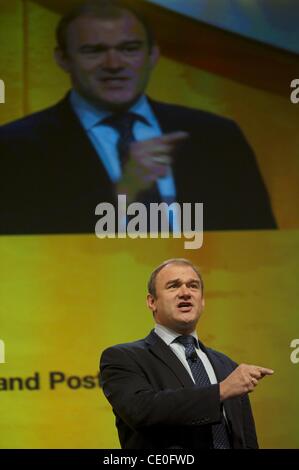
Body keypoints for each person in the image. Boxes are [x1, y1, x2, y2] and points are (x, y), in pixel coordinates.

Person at [0, 0, 277, 235]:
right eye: (93, 51)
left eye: (129, 48)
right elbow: (19, 255)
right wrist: (123, 193)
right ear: (63, 59)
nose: (114, 64)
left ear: (153, 55)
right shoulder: (14, 147)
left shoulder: (217, 137)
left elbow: (263, 245)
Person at [100, 258, 274, 449]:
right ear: (152, 302)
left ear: (202, 300)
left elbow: (247, 440)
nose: (185, 293)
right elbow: (142, 411)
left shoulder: (228, 366)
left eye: (193, 286)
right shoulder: (123, 358)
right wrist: (220, 391)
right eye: (173, 286)